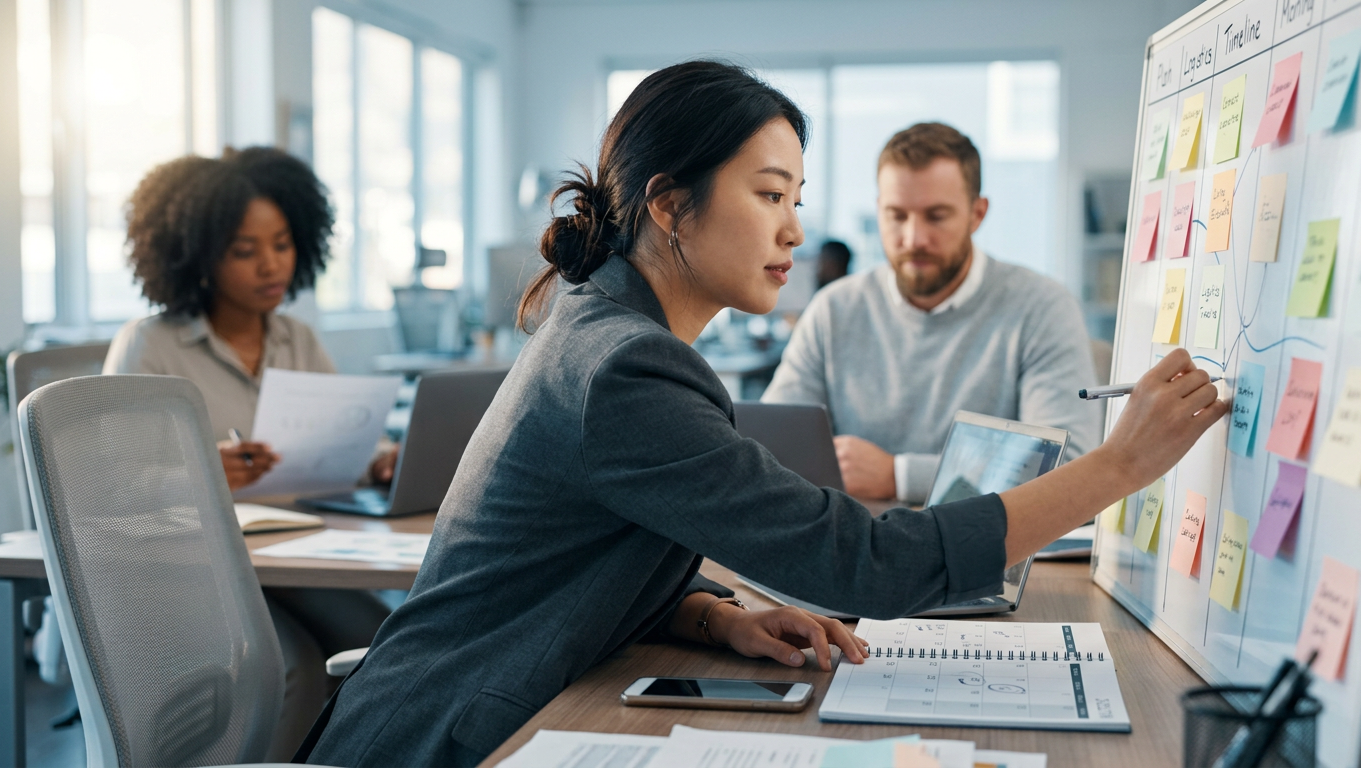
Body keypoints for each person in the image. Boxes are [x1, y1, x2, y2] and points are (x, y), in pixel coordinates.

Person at [302, 62, 1226, 767]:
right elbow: (868, 565)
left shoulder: (602, 326)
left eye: (798, 199)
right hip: (446, 738)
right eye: (769, 195)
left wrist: (712, 617)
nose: (793, 230)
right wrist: (1117, 469)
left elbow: (577, 555)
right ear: (670, 204)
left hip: (490, 706)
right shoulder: (624, 367)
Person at [103, 147, 392, 759]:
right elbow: (106, 487)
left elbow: (344, 431)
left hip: (297, 555)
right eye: (244, 250)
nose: (271, 265)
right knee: (289, 668)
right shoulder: (149, 345)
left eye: (283, 243)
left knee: (388, 640)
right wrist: (201, 471)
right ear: (198, 256)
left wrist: (378, 457)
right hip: (191, 568)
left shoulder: (298, 337)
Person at [763, 123, 1103, 504]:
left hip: (985, 551)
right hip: (854, 546)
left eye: (936, 216)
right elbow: (775, 449)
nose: (914, 238)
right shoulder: (834, 310)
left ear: (977, 214)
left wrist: (900, 475)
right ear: (878, 211)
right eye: (897, 215)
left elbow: (1070, 467)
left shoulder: (1041, 308)